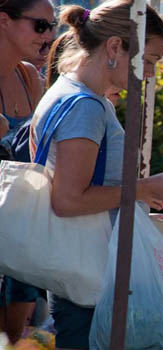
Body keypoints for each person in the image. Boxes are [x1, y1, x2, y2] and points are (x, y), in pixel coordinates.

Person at [29, 2, 163, 349]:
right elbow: (68, 199)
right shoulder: (85, 106)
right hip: (90, 285)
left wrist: (142, 196)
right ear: (115, 47)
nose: (150, 73)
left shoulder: (70, 94)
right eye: (149, 60)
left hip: (81, 276)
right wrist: (144, 189)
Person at [0, 0, 54, 344]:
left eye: (53, 27)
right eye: (40, 26)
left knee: (13, 340)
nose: (48, 36)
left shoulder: (28, 77)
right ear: (4, 21)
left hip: (20, 235)